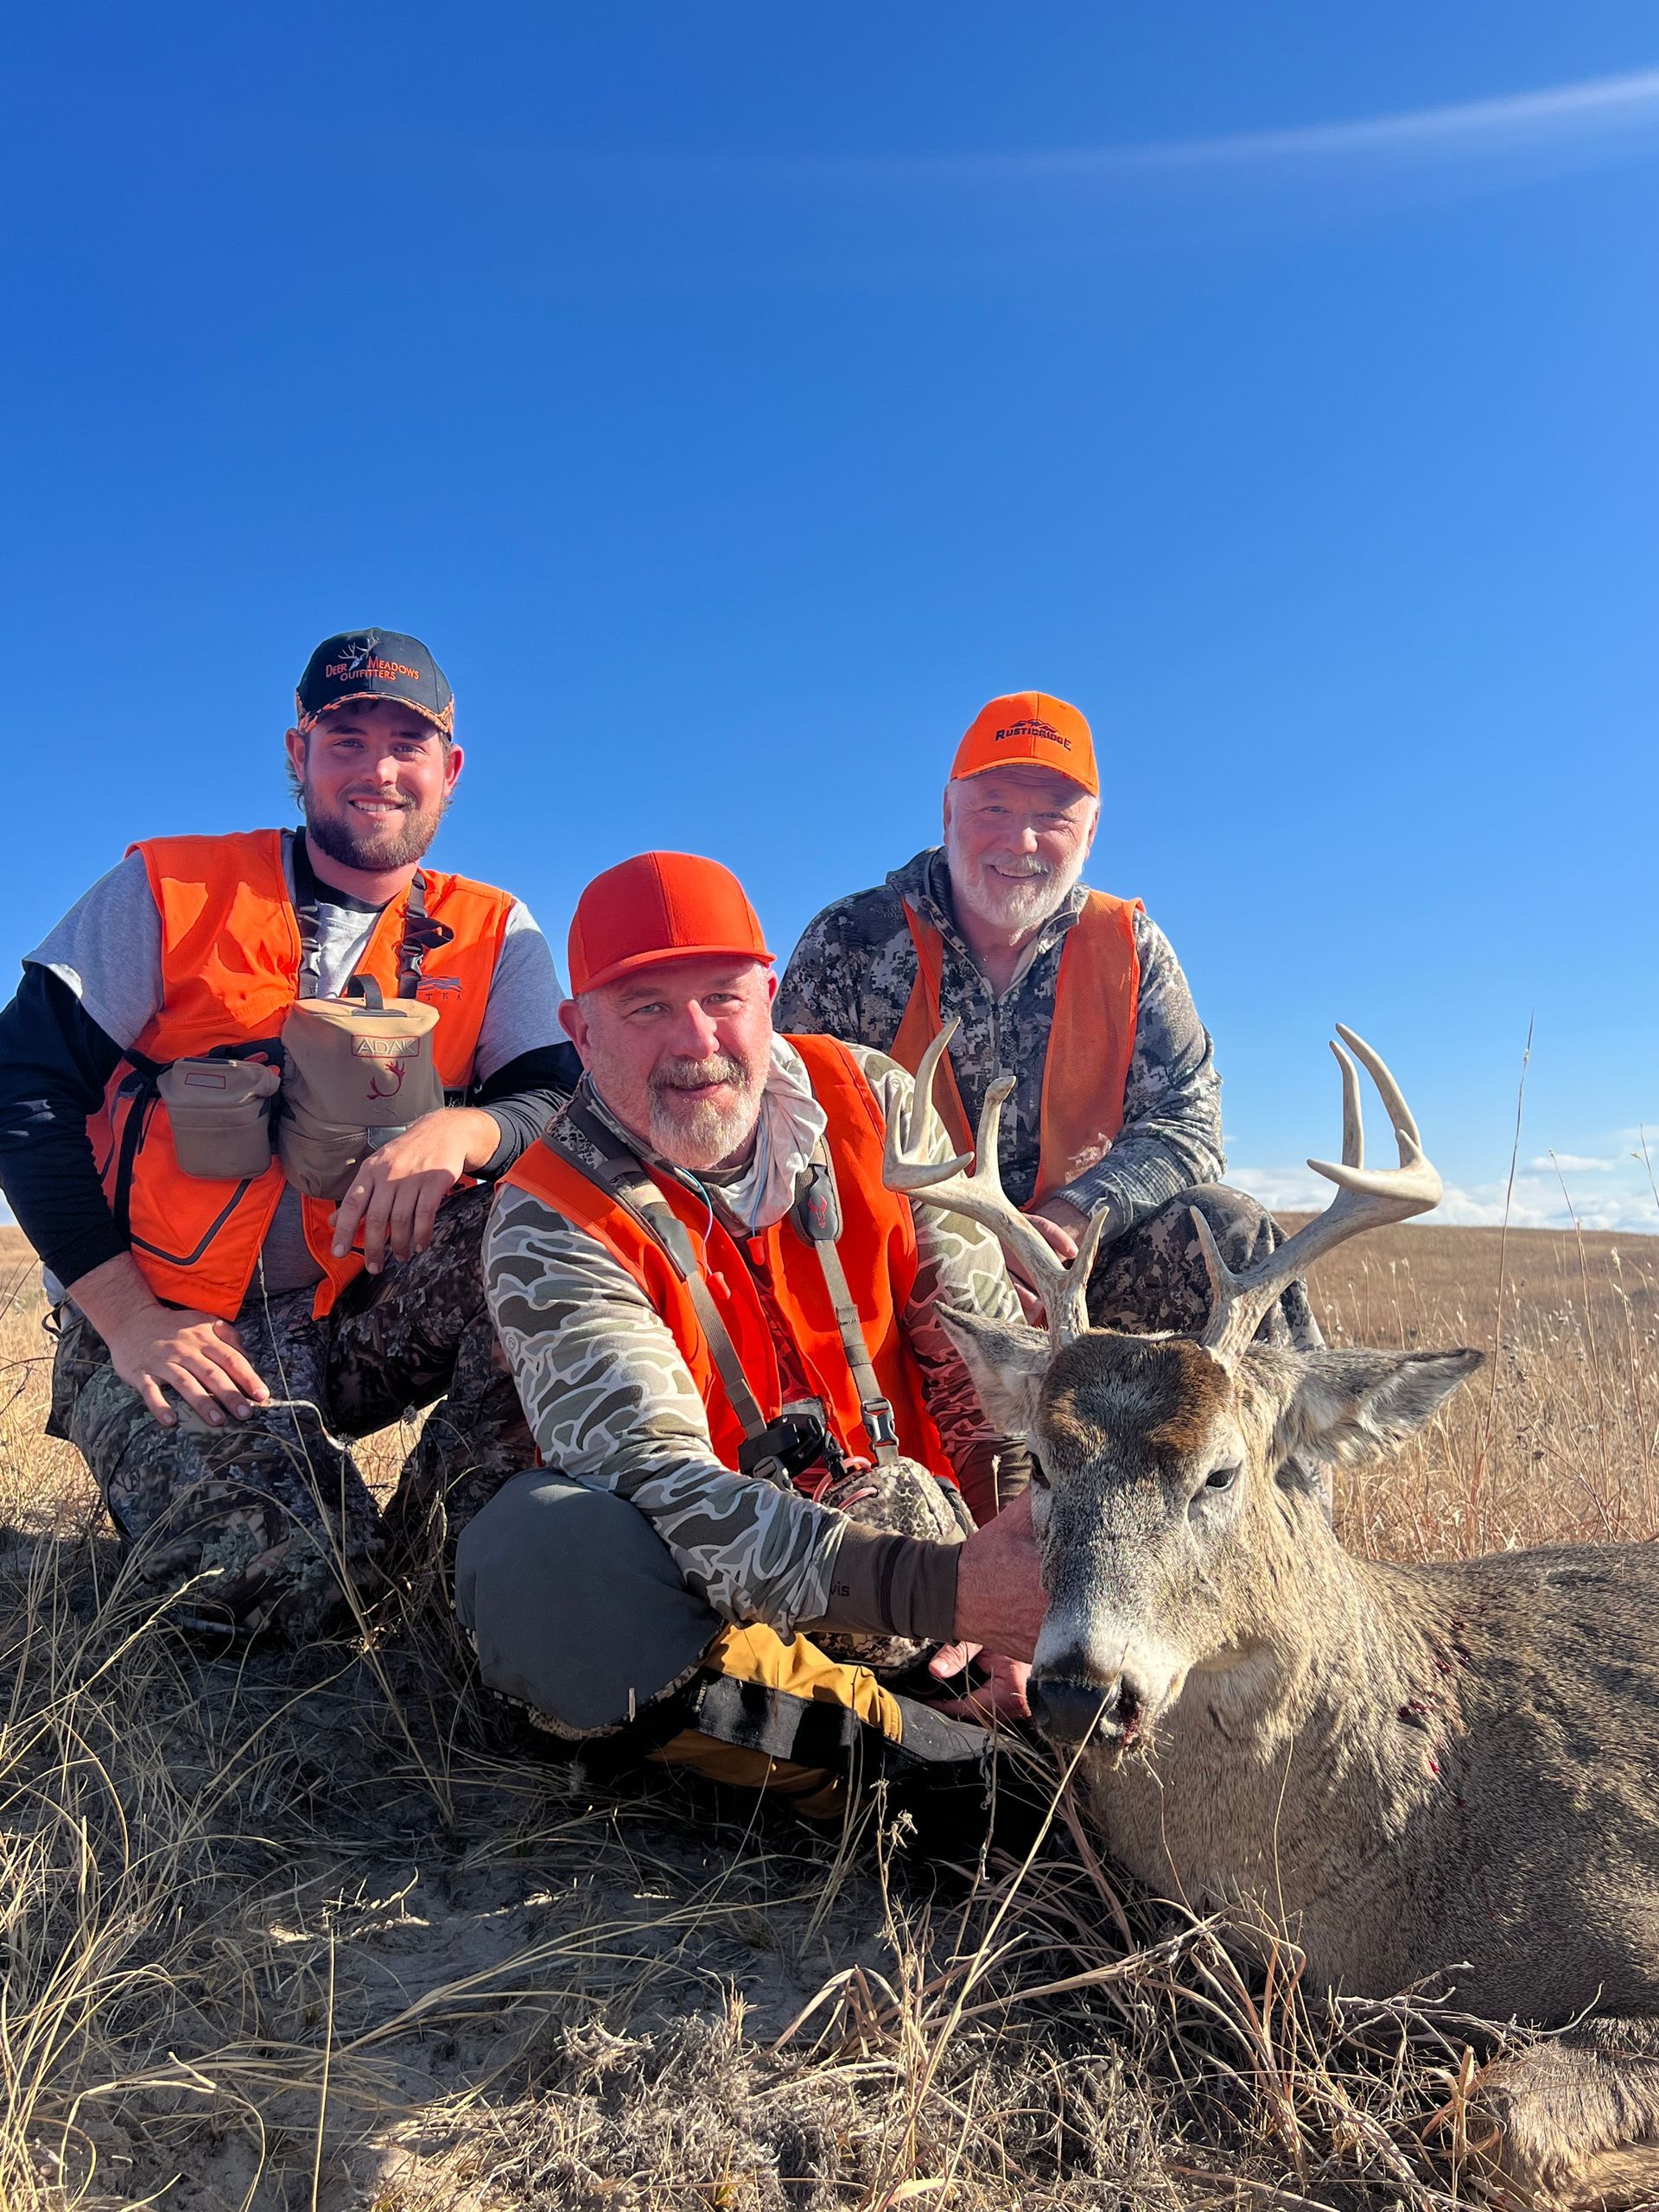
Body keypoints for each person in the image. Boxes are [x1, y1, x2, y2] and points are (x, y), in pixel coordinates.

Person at [0, 628, 575, 1640]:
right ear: (297, 753)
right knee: (297, 1589)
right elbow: (22, 1089)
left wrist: (461, 1132)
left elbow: (555, 1106)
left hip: (354, 1312)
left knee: (563, 1235)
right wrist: (131, 1321)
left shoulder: (498, 931)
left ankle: (458, 1546)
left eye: (408, 742)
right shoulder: (168, 891)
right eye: (346, 738)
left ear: (451, 768)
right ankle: (296, 1522)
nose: (379, 770)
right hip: (172, 1330)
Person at [458, 851, 1051, 1828]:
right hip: (743, 1610)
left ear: (769, 995)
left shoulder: (873, 1099)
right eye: (646, 1008)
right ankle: (926, 1777)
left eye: (723, 997)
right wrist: (951, 1594)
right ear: (578, 1030)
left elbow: (985, 1365)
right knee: (541, 1558)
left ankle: (1008, 1722)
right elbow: (663, 1489)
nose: (697, 1043)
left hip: (952, 1555)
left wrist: (1020, 1570)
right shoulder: (549, 1218)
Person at [775, 690, 1321, 1349]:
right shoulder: (851, 942)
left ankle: (1272, 1451)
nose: (1022, 840)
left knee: (1231, 1234)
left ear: (1090, 832)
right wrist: (968, 1240)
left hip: (1081, 1260)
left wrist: (1076, 1215)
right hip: (904, 1268)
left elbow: (1190, 1121)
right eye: (994, 808)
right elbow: (788, 1124)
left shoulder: (1130, 949)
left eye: (1053, 816)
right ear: (949, 812)